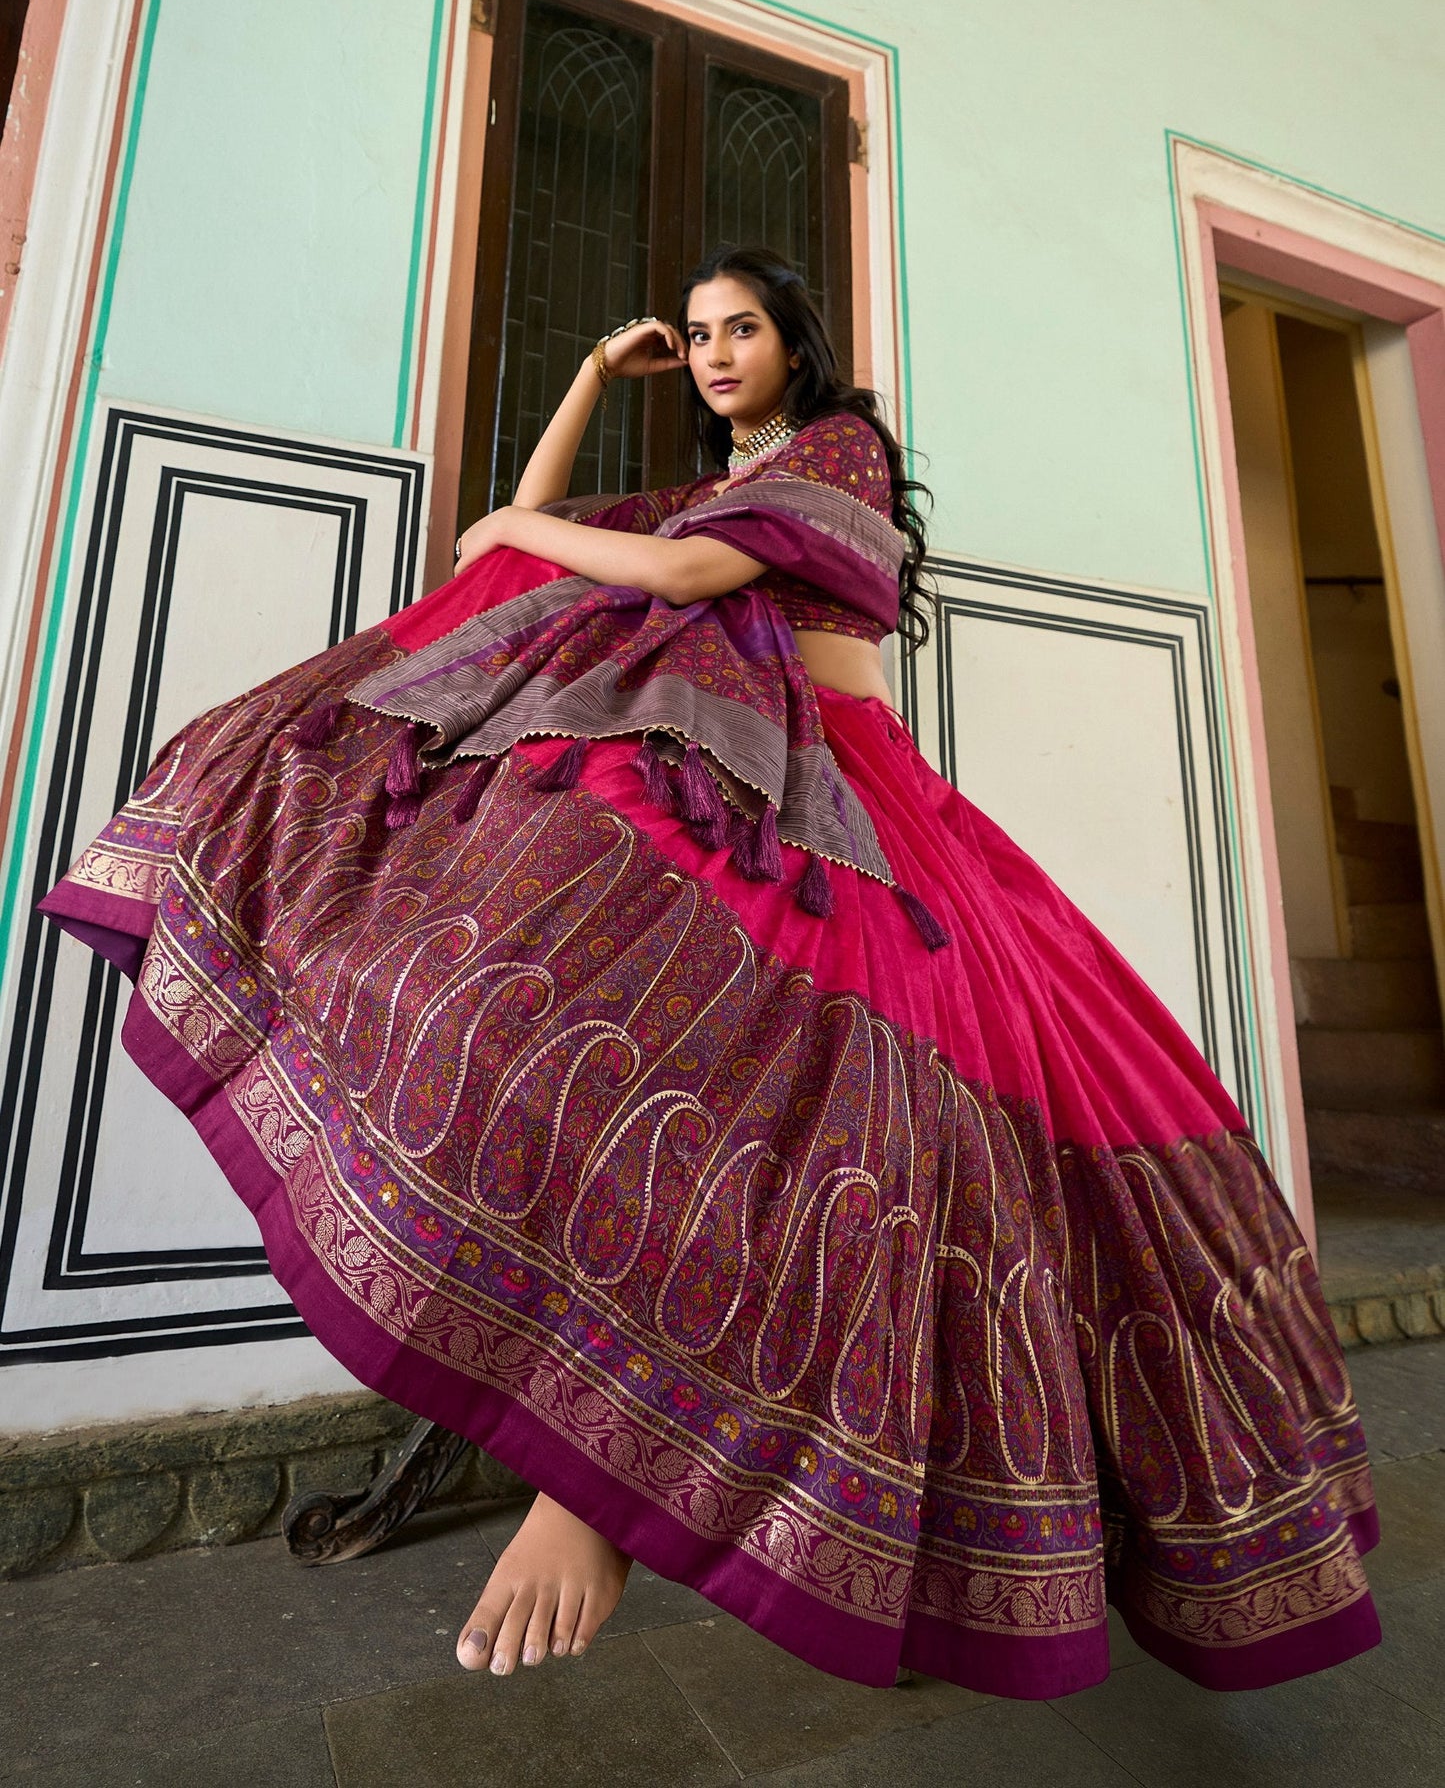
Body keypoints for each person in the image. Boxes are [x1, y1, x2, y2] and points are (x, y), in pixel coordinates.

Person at [40, 246, 1379, 1700]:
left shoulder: (833, 453)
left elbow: (673, 574)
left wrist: (520, 525)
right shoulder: (716, 483)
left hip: (843, 801)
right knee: (534, 1018)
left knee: (825, 1130)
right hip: (732, 763)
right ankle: (587, 1435)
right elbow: (518, 541)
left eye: (739, 327)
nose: (717, 349)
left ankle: (597, 1499)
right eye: (694, 334)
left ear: (791, 344)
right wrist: (573, 392)